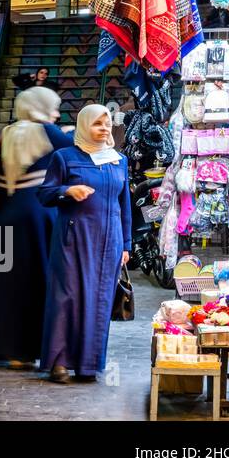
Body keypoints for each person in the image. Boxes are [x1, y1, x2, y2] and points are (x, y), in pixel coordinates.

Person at [0, 87, 72, 368]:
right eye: (52, 107)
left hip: (3, 214)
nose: (55, 113)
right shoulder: (51, 133)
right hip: (38, 216)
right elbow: (74, 157)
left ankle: (6, 347)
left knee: (3, 281)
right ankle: (33, 347)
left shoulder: (6, 133)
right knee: (37, 280)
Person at [37, 104, 131, 383]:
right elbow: (44, 194)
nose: (103, 129)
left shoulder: (117, 160)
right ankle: (59, 363)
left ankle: (88, 364)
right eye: (97, 124)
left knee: (99, 299)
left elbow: (124, 204)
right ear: (83, 126)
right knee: (67, 297)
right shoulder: (64, 158)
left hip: (109, 241)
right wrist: (67, 190)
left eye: (107, 124)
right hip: (73, 238)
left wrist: (126, 244)